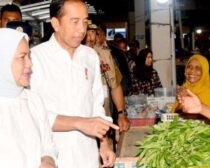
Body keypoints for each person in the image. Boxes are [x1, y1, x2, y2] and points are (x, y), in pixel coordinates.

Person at [30, 0, 119, 167]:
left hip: (87, 156)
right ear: (56, 23)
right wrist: (79, 123)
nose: (82, 29)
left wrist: (104, 144)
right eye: (75, 21)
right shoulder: (35, 59)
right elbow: (32, 116)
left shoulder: (90, 56)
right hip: (52, 158)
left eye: (85, 21)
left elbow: (96, 104)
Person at [0, 28, 57, 168]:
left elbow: (48, 145)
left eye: (29, 56)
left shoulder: (34, 101)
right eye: (22, 57)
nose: (30, 64)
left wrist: (48, 160)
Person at [93, 23, 130, 132]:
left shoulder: (110, 53)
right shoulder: (80, 53)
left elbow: (118, 83)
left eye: (97, 33)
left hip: (108, 107)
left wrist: (121, 113)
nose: (94, 37)